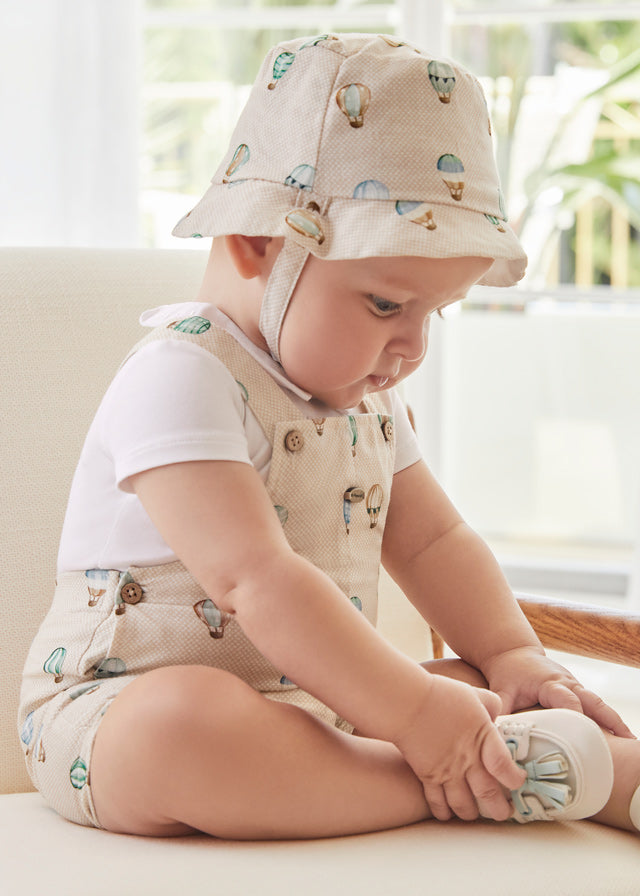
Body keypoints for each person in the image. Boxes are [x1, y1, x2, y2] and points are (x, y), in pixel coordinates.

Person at [18, 32, 640, 840]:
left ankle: (584, 771)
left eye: (434, 313)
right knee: (182, 723)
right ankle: (463, 784)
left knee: (472, 681)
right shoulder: (180, 375)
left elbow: (435, 543)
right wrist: (416, 716)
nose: (413, 347)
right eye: (386, 305)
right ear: (259, 244)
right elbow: (255, 579)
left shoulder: (365, 401)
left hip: (318, 712)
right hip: (110, 718)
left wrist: (516, 655)